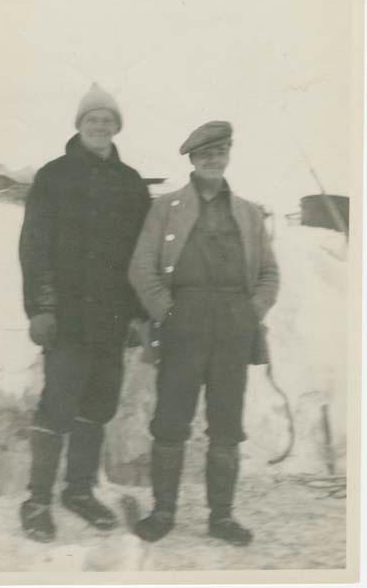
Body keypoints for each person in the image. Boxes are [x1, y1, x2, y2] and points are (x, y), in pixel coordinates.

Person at [129, 121, 280, 545]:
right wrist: (167, 312)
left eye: (221, 151)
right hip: (184, 324)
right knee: (171, 420)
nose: (213, 159)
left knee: (227, 423)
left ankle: (222, 517)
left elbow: (269, 273)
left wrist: (253, 311)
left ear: (229, 154)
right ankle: (163, 512)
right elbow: (141, 268)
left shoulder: (249, 212)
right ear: (192, 160)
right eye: (205, 154)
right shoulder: (167, 208)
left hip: (234, 325)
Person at [19, 83, 150, 542]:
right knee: (58, 403)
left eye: (108, 120)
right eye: (92, 119)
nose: (100, 126)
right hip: (68, 317)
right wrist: (41, 308)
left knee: (98, 405)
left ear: (117, 128)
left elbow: (142, 255)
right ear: (79, 125)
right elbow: (33, 248)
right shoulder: (54, 176)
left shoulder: (131, 183)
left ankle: (78, 490)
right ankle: (36, 501)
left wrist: (138, 314)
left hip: (113, 319)